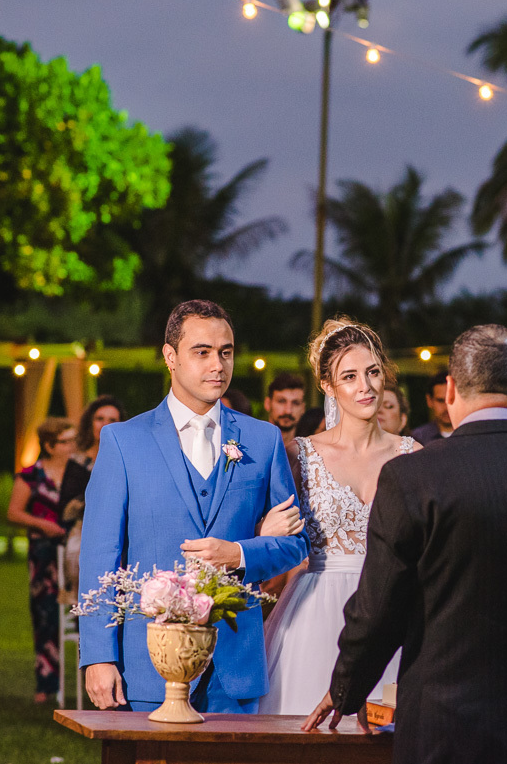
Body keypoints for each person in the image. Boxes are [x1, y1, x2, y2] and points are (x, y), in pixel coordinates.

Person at [304, 324, 507, 764]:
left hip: (443, 729)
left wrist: (345, 690)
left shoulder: (413, 476)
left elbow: (378, 609)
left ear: (450, 390)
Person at [79, 299, 308, 714]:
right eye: (201, 352)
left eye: (226, 352)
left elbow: (295, 545)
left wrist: (239, 552)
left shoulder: (263, 440)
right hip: (148, 664)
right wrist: (98, 655)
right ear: (171, 357)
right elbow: (100, 556)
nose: (217, 365)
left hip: (234, 666)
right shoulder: (123, 442)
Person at [260, 318, 419, 714]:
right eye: (349, 376)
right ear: (328, 387)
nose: (365, 386)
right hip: (315, 609)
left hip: (393, 609)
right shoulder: (299, 456)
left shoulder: (413, 455)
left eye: (372, 372)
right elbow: (274, 537)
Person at [6, 416, 77, 704]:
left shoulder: (78, 473)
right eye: (65, 441)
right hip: (43, 554)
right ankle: (45, 684)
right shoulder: (31, 476)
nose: (72, 445)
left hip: (74, 553)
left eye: (73, 439)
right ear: (49, 446)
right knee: (46, 615)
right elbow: (14, 513)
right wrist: (43, 525)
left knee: (78, 614)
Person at [58, 395, 127, 604]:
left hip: (123, 529)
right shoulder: (77, 462)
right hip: (86, 529)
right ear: (90, 422)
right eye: (100, 418)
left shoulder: (126, 458)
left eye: (112, 420)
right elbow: (67, 505)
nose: (105, 425)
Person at [265, 373, 306, 463]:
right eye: (281, 401)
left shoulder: (309, 452)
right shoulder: (255, 445)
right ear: (268, 403)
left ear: (303, 408)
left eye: (295, 403)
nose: (288, 411)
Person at [410, 370, 453, 445]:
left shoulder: (470, 435)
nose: (446, 407)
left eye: (451, 400)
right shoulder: (417, 438)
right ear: (429, 400)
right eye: (440, 400)